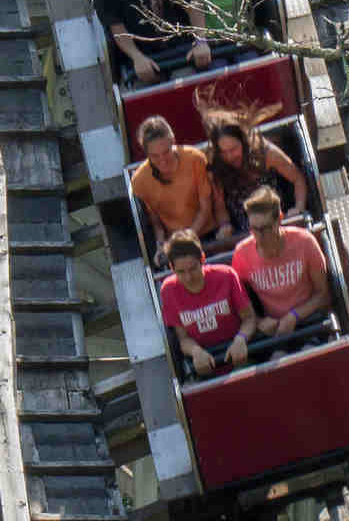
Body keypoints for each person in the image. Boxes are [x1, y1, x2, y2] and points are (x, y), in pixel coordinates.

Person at [231, 189, 336, 344]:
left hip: (311, 321)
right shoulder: (242, 254)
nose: (260, 236)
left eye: (266, 228)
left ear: (279, 220)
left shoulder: (304, 242)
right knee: (277, 356)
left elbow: (323, 294)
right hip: (274, 332)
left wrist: (294, 316)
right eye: (254, 229)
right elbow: (238, 305)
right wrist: (259, 322)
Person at [158, 230, 254, 378]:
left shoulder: (226, 276)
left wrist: (241, 339)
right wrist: (196, 351)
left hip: (240, 356)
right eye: (181, 272)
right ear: (171, 268)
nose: (188, 278)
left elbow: (249, 318)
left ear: (202, 259)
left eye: (193, 269)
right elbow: (182, 338)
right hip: (203, 365)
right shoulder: (168, 290)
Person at [205, 114, 314, 235]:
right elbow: (220, 207)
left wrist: (298, 207)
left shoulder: (266, 153)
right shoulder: (217, 167)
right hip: (245, 232)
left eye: (233, 149)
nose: (229, 156)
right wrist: (225, 225)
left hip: (277, 223)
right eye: (224, 152)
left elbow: (297, 179)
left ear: (244, 142)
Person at [128, 115, 222, 246]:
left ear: (173, 141)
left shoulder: (195, 158)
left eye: (166, 152)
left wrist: (186, 239)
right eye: (155, 156)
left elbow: (205, 208)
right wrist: (162, 242)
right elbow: (155, 222)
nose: (162, 161)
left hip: (210, 234)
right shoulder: (139, 181)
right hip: (174, 243)